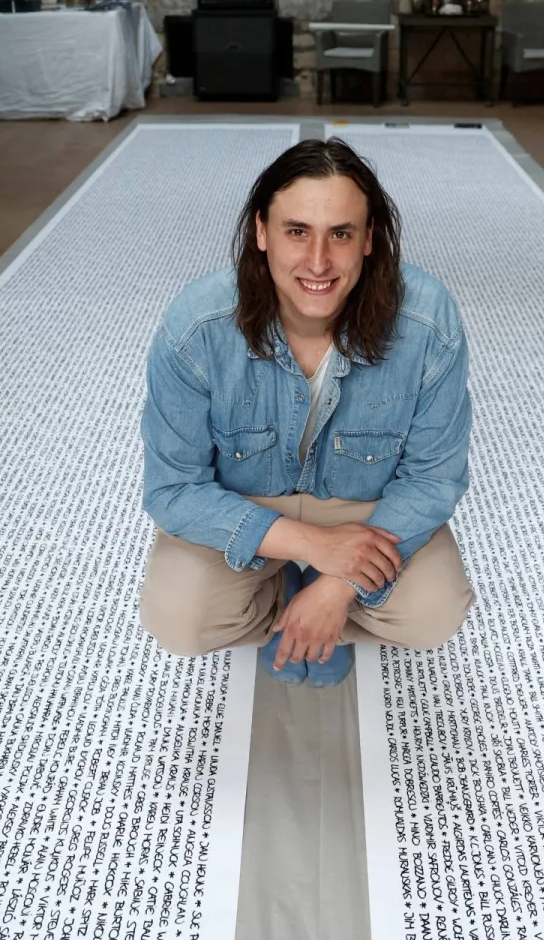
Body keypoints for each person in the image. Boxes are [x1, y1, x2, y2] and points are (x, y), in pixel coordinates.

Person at [138, 138, 473, 689]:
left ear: (369, 239)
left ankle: (321, 617)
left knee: (434, 613)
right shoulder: (196, 328)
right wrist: (314, 547)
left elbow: (434, 477)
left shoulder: (428, 323)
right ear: (261, 232)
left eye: (340, 234)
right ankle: (281, 606)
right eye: (297, 232)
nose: (318, 262)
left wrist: (337, 586)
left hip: (365, 507)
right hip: (248, 503)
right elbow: (172, 489)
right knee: (179, 620)